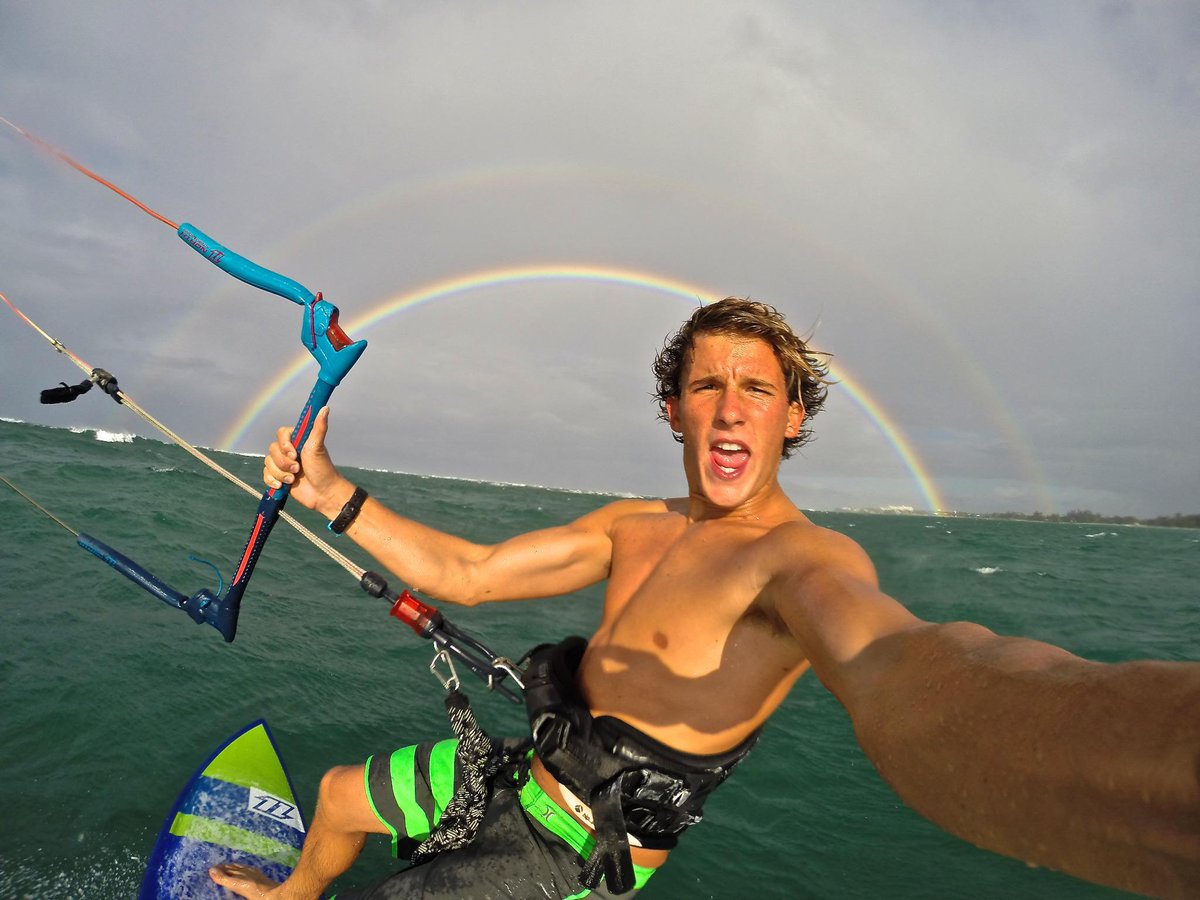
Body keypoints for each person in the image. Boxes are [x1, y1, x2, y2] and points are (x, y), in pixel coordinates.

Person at [211, 297, 1200, 899]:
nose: (730, 406)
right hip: (521, 771)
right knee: (340, 797)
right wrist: (330, 491)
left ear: (793, 415)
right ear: (673, 407)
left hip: (575, 858)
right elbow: (470, 573)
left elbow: (911, 676)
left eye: (759, 389)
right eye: (706, 386)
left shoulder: (801, 564)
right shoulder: (634, 525)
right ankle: (292, 895)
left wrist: (1144, 761)